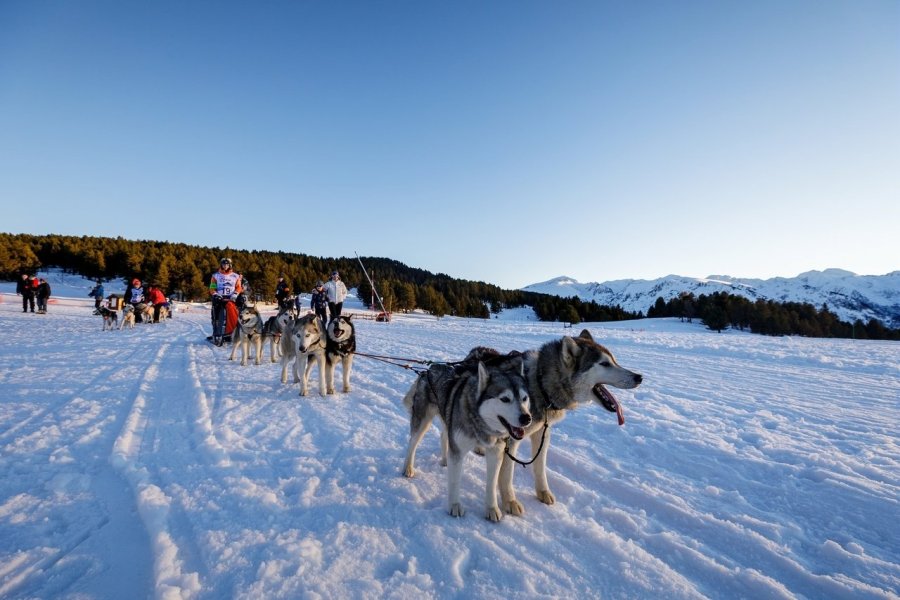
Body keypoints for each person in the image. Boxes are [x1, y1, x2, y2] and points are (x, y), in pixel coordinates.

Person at [209, 257, 243, 346]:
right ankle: (217, 334)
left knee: (234, 315)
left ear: (230, 265)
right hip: (219, 299)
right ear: (221, 265)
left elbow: (239, 287)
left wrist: (235, 294)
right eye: (224, 264)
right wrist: (215, 294)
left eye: (227, 264)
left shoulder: (235, 276)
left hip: (231, 299)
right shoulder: (215, 275)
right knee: (218, 316)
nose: (225, 266)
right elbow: (212, 287)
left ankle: (233, 332)